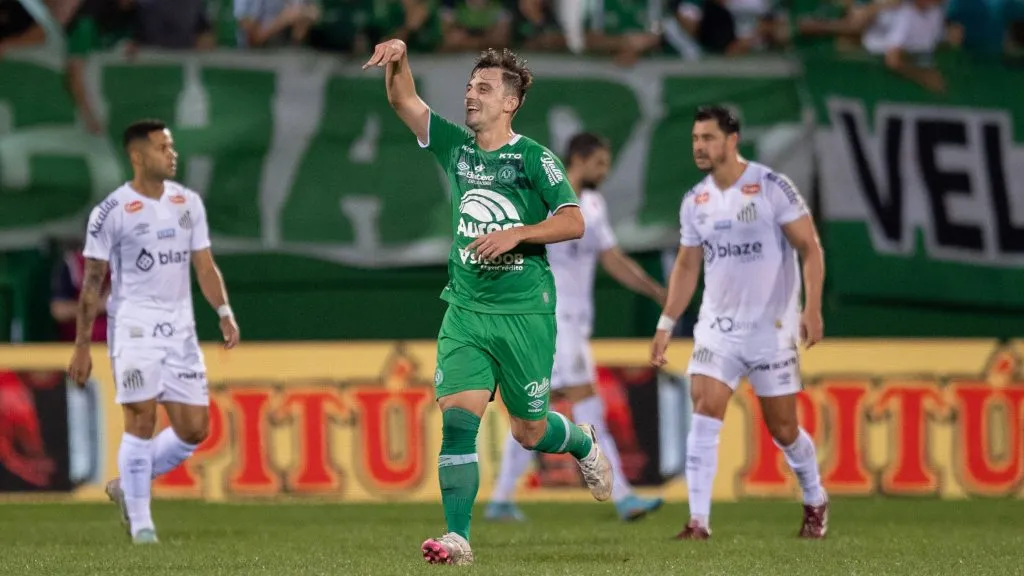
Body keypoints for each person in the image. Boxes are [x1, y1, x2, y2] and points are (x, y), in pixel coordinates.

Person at [363, 41, 613, 565]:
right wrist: (401, 58)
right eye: (469, 87)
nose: (470, 96)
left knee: (530, 431)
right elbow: (404, 101)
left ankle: (583, 443)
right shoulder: (456, 146)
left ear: (510, 103)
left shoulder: (533, 158)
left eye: (483, 89)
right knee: (458, 419)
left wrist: (518, 233)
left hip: (525, 311)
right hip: (467, 308)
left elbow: (573, 220)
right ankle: (458, 539)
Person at [649, 105, 828, 540]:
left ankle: (815, 497)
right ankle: (697, 521)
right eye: (695, 139)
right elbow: (687, 267)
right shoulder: (696, 201)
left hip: (771, 329)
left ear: (732, 140)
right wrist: (666, 322)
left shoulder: (770, 187)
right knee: (705, 408)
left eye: (708, 138)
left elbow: (811, 248)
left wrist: (812, 308)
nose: (699, 146)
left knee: (784, 429)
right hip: (717, 329)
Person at [67, 119, 240, 545]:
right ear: (138, 156)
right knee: (141, 418)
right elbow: (92, 283)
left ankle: (128, 484)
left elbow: (204, 264)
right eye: (163, 147)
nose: (172, 153)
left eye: (172, 146)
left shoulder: (188, 203)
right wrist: (82, 347)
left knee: (194, 429)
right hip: (134, 329)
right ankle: (143, 525)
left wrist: (223, 310)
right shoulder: (110, 211)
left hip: (180, 330)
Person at [486, 132, 667, 522]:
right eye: (600, 162)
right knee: (588, 406)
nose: (605, 170)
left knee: (533, 409)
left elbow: (613, 259)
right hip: (551, 318)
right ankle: (623, 495)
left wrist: (654, 290)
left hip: (571, 324)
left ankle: (501, 499)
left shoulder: (593, 205)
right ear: (580, 159)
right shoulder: (543, 196)